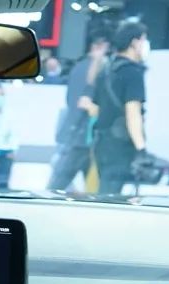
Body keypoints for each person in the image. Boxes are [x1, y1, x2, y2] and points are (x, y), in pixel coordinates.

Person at [84, 21, 150, 196]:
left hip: (101, 142)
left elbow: (94, 107)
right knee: (110, 196)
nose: (145, 45)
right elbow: (133, 113)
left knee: (104, 190)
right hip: (120, 146)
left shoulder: (106, 70)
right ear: (134, 42)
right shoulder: (132, 73)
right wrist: (141, 148)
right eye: (144, 40)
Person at [47, 33, 109, 191]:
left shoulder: (78, 67)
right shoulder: (95, 70)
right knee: (62, 183)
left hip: (76, 133)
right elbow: (84, 102)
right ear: (97, 47)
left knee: (61, 182)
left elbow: (71, 100)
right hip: (84, 135)